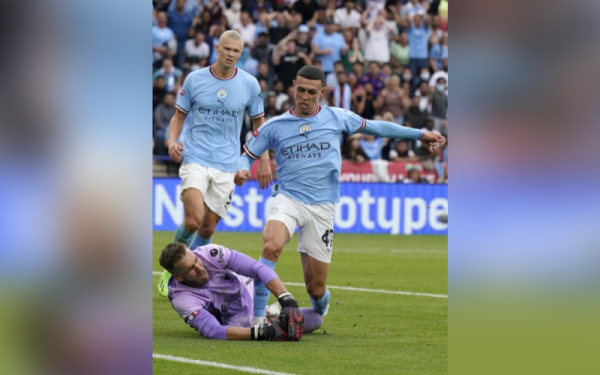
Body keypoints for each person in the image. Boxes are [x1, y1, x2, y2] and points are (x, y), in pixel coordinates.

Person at [233, 65, 444, 325]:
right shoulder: (275, 126)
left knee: (316, 289)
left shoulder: (337, 117)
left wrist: (420, 135)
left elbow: (377, 128)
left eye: (311, 92)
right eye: (300, 90)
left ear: (322, 92)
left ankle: (319, 307)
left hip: (322, 207)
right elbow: (247, 154)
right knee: (271, 245)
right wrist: (243, 169)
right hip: (288, 199)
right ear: (293, 87)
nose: (305, 97)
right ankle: (255, 323)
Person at [158, 30, 272, 297]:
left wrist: (263, 160)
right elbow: (178, 117)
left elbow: (259, 125)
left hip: (226, 164)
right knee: (192, 220)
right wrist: (172, 141)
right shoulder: (195, 79)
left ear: (241, 53)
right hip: (195, 157)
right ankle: (171, 267)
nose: (232, 55)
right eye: (228, 49)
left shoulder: (249, 84)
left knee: (207, 227)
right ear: (217, 48)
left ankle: (192, 274)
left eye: (237, 51)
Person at [159, 242, 321, 341]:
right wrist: (263, 333)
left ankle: (268, 314)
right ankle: (268, 319)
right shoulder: (181, 299)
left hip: (252, 304)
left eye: (195, 260)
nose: (199, 268)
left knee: (316, 319)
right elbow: (214, 331)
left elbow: (257, 268)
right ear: (178, 277)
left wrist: (287, 300)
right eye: (191, 269)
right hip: (237, 326)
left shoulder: (211, 253)